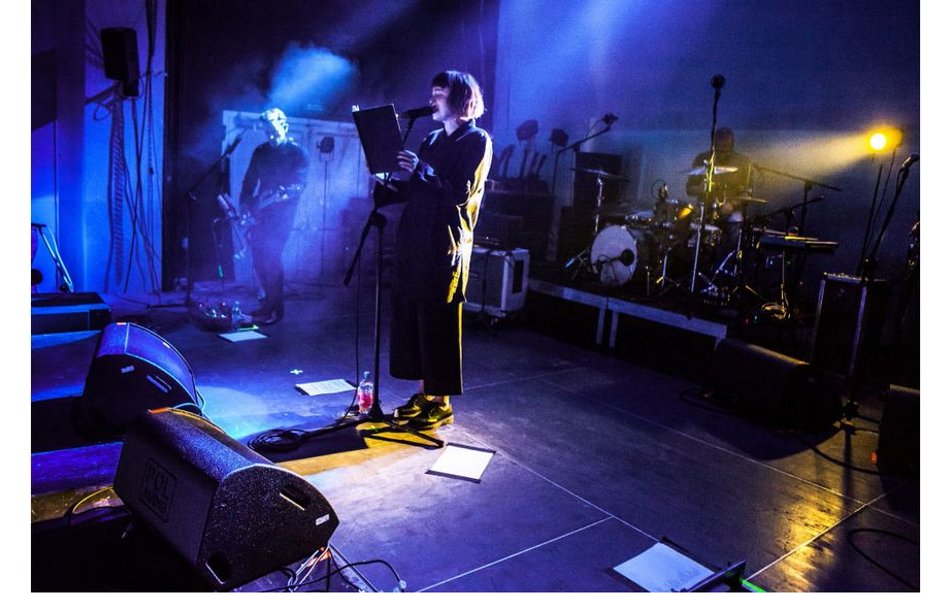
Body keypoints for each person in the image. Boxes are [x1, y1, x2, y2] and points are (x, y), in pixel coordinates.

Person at [387, 70, 493, 430]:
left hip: (445, 243)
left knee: (439, 321)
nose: (431, 100)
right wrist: (390, 181)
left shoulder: (477, 140)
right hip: (416, 239)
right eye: (431, 93)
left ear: (460, 98)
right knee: (416, 318)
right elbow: (418, 188)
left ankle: (442, 401)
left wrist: (421, 168)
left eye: (439, 94)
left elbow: (460, 193)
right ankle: (425, 393)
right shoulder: (431, 139)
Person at [239, 108, 309, 325]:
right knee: (258, 258)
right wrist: (245, 205)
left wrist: (281, 195)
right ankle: (267, 304)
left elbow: (299, 184)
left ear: (285, 127)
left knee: (271, 257)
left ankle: (276, 310)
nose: (270, 136)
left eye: (274, 131)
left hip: (283, 214)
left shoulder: (298, 153)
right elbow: (249, 181)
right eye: (267, 132)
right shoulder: (261, 151)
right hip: (261, 212)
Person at [685, 127, 754, 222]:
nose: (722, 154)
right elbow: (689, 189)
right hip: (706, 210)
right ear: (713, 145)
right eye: (719, 149)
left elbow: (747, 192)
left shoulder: (744, 162)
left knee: (736, 221)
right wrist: (700, 189)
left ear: (732, 144)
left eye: (725, 148)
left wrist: (732, 204)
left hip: (732, 211)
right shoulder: (702, 159)